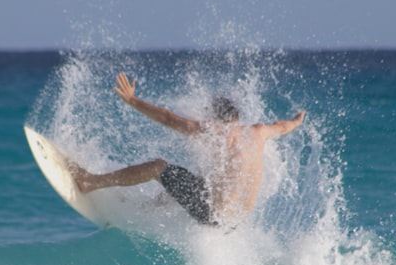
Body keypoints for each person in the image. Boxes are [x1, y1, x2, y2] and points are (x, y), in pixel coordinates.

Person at [70, 72, 305, 226]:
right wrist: (296, 121)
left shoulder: (216, 131)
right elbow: (283, 127)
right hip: (235, 223)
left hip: (213, 215)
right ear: (239, 117)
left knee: (158, 167)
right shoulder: (259, 132)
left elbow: (169, 119)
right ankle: (142, 211)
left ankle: (90, 182)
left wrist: (133, 101)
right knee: (192, 183)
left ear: (215, 118)